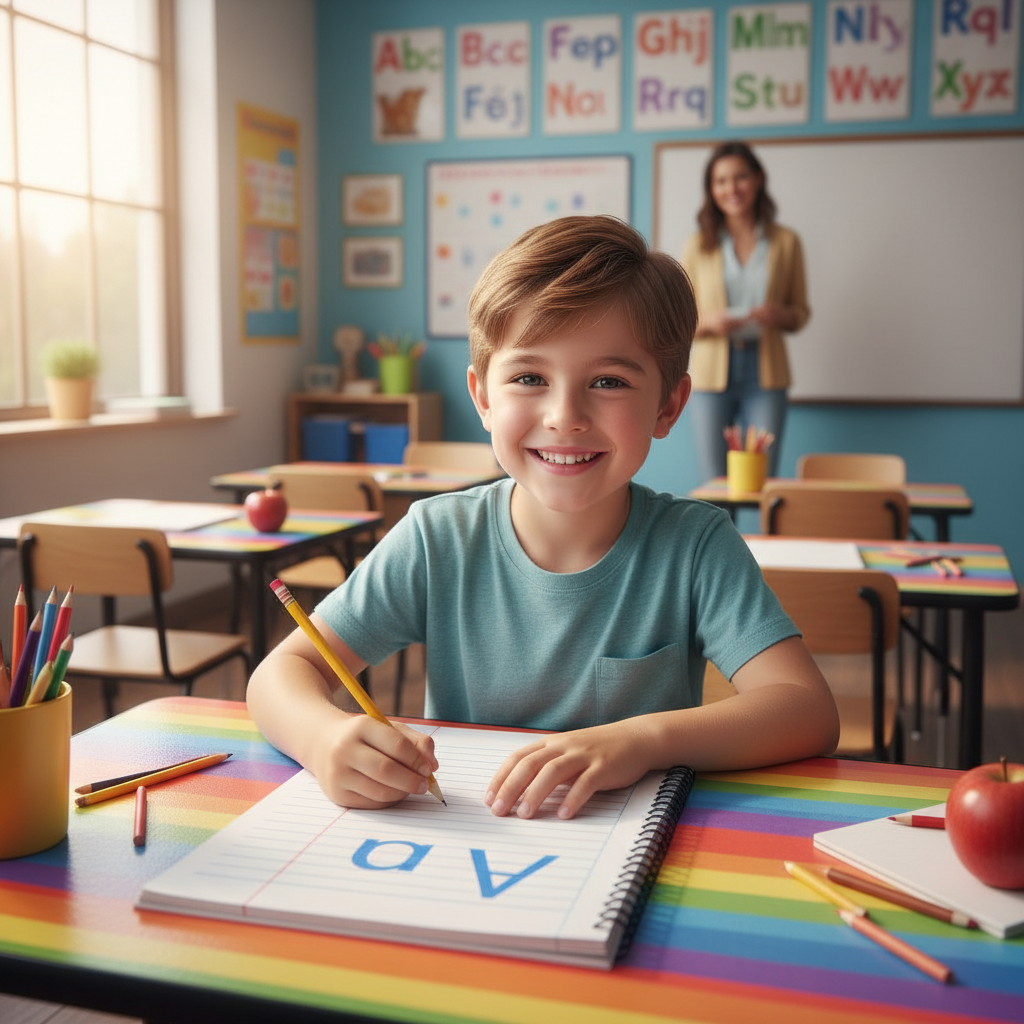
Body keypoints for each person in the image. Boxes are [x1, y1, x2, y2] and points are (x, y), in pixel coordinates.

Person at [247, 215, 838, 821]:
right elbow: (281, 674)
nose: (565, 415)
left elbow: (806, 710)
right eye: (529, 377)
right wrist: (323, 740)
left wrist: (643, 739)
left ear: (668, 405)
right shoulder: (437, 538)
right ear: (483, 397)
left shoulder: (695, 546)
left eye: (608, 381)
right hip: (464, 844)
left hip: (631, 849)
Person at [681, 141, 810, 482]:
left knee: (761, 479)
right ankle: (720, 538)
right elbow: (678, 317)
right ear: (711, 189)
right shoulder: (698, 245)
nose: (731, 188)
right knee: (714, 482)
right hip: (712, 374)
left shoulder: (786, 242)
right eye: (720, 181)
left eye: (740, 177)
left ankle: (760, 539)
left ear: (758, 179)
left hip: (765, 374)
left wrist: (777, 315)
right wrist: (709, 321)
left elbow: (800, 313)